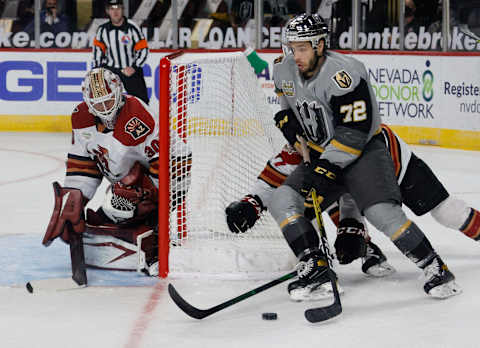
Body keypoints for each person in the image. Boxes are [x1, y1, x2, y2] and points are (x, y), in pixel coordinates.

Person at [264, 13, 461, 301]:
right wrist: (289, 125)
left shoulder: (344, 74)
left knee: (381, 212)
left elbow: (354, 132)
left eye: (302, 48)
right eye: (292, 47)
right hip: (320, 155)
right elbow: (285, 108)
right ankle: (316, 267)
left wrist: (326, 169)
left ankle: (435, 267)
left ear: (320, 45)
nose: (295, 55)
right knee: (282, 199)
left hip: (363, 154)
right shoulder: (283, 70)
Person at [226, 122, 480, 280]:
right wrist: (251, 203)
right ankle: (327, 261)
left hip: (395, 162)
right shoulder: (301, 147)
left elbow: (356, 184)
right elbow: (273, 178)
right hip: (351, 173)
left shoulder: (344, 137)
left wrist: (351, 225)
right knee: (303, 206)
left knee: (447, 212)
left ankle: (370, 246)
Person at [40, 68, 188, 276]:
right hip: (130, 178)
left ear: (118, 93)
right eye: (97, 105)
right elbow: (83, 165)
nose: (104, 110)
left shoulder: (136, 117)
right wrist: (75, 199)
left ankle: (151, 235)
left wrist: (153, 205)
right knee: (115, 207)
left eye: (108, 102)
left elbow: (162, 161)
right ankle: (126, 215)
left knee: (122, 205)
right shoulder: (81, 117)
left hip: (173, 169)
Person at [92, 0, 149, 105]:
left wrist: (134, 67)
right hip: (110, 71)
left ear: (123, 9)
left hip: (130, 71)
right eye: (112, 9)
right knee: (104, 103)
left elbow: (143, 49)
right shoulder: (103, 30)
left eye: (118, 8)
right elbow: (97, 53)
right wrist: (97, 72)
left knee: (142, 103)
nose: (115, 12)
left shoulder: (132, 27)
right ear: (107, 11)